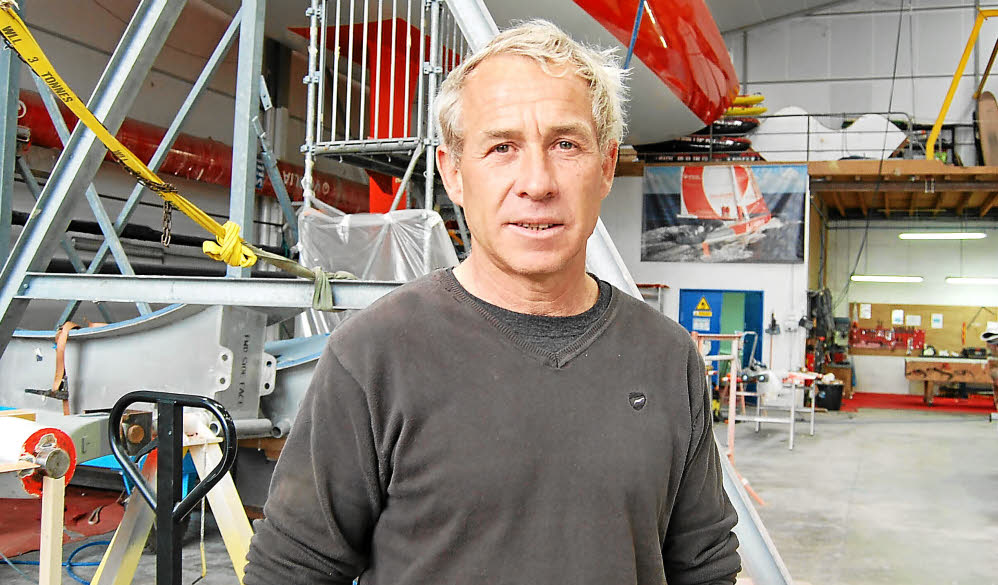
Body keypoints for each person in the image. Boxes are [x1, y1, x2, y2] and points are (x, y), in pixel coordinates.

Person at [244, 20, 740, 585]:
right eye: (503, 147)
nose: (537, 182)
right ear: (454, 173)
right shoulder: (373, 355)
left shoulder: (667, 359)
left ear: (605, 167)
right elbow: (291, 571)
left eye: (566, 144)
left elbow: (706, 566)